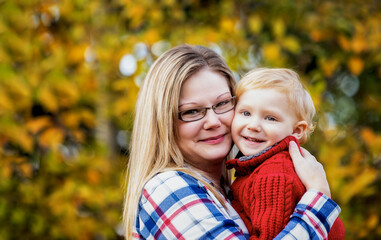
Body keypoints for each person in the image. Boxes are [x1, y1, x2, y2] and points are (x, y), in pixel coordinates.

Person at [123, 44, 341, 239]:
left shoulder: (232, 188)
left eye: (222, 104)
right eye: (191, 111)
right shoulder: (169, 187)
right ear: (162, 121)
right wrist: (319, 197)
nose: (213, 121)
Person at [225, 68, 345, 240]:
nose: (253, 125)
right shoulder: (256, 167)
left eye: (270, 118)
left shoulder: (274, 175)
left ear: (297, 130)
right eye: (246, 113)